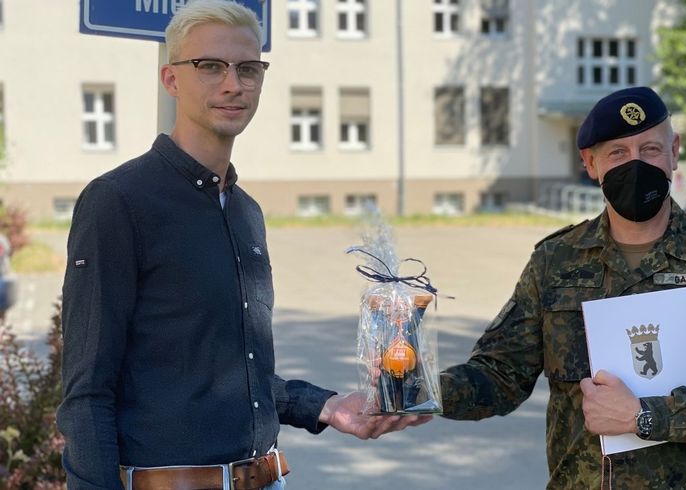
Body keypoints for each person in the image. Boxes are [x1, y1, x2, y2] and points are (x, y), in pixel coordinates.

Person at [57, 2, 427, 489]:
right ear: (171, 79)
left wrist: (327, 406)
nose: (233, 84)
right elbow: (87, 393)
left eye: (248, 68)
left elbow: (235, 375)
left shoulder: (246, 212)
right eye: (210, 66)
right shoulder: (118, 201)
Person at [439, 86, 686, 489]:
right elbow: (500, 373)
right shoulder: (556, 261)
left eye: (650, 149)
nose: (636, 164)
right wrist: (418, 393)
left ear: (674, 151)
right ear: (590, 163)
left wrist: (647, 416)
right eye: (618, 153)